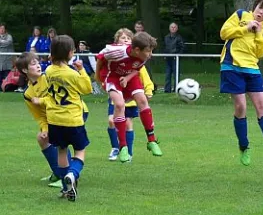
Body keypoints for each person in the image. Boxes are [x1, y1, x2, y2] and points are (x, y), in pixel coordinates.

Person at [220, 0, 263, 166]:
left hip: (252, 68)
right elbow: (224, 33)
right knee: (241, 106)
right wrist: (245, 28)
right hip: (231, 66)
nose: (261, 12)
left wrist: (257, 32)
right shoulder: (241, 14)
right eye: (260, 8)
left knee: (261, 106)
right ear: (255, 6)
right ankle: (244, 147)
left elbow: (261, 53)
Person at [32, 35, 92, 201]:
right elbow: (87, 89)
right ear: (70, 53)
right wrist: (81, 70)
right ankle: (72, 175)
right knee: (80, 150)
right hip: (73, 119)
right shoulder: (72, 74)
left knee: (62, 150)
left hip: (54, 119)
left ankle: (66, 188)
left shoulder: (49, 71)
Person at [96, 30, 162, 162]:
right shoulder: (115, 51)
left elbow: (136, 69)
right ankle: (123, 147)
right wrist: (98, 77)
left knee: (143, 101)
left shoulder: (142, 57)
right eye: (148, 51)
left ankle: (151, 140)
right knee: (119, 105)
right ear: (137, 50)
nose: (150, 55)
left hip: (129, 77)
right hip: (112, 76)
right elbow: (100, 58)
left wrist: (127, 78)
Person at [15, 52, 66, 188]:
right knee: (42, 137)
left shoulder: (49, 77)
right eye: (33, 64)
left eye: (38, 62)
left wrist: (42, 100)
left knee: (59, 139)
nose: (38, 65)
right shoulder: (28, 94)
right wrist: (44, 129)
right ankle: (58, 173)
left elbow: (59, 98)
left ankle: (65, 175)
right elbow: (39, 116)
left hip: (68, 113)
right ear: (25, 70)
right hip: (53, 118)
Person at [163, 22, 185, 93]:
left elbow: (182, 48)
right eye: (171, 27)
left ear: (177, 28)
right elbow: (165, 47)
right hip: (168, 58)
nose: (173, 28)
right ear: (169, 28)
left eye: (174, 27)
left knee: (176, 75)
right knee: (167, 74)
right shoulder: (166, 37)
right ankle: (167, 90)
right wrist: (165, 55)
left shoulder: (179, 38)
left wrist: (178, 55)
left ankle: (176, 89)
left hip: (176, 59)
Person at [0, 23, 14, 88]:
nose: (2, 30)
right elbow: (4, 43)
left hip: (7, 60)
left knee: (7, 75)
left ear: (5, 29)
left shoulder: (9, 36)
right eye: (0, 28)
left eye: (3, 28)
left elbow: (8, 43)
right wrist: (3, 42)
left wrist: (1, 42)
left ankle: (7, 87)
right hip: (0, 60)